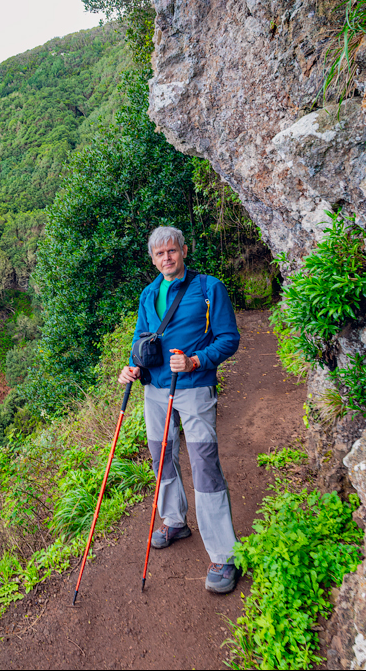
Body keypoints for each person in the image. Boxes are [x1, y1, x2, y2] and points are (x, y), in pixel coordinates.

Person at [118, 226, 241, 593]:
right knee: (161, 457)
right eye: (159, 254)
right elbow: (142, 340)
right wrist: (133, 366)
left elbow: (228, 339)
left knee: (204, 465)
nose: (166, 258)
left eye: (172, 251)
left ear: (184, 251)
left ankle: (224, 555)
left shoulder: (208, 289)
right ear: (152, 259)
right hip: (154, 390)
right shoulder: (148, 293)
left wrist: (195, 361)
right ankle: (174, 520)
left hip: (194, 388)